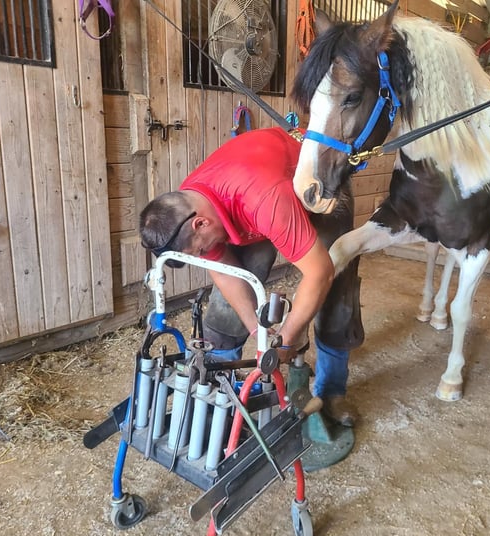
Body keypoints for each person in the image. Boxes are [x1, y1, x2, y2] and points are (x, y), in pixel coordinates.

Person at [139, 127, 361, 426]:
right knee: (228, 302)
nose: (203, 255)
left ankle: (331, 392)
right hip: (260, 197)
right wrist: (260, 333)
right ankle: (218, 384)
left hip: (321, 184)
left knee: (334, 283)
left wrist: (284, 342)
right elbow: (224, 271)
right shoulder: (187, 203)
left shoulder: (262, 200)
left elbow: (319, 272)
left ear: (201, 224)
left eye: (200, 250)